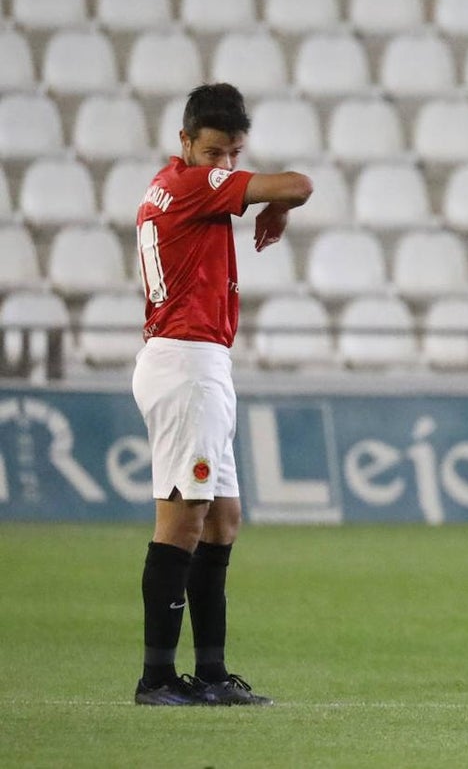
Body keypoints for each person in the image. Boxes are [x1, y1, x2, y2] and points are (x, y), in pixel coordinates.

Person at [132, 83, 313, 705]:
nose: (225, 165)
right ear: (185, 142)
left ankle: (210, 674)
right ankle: (157, 677)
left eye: (234, 153)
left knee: (222, 521)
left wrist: (272, 203)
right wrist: (280, 207)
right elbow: (298, 184)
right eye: (214, 151)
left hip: (196, 362)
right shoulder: (190, 184)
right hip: (187, 364)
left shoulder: (173, 185)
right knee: (182, 520)